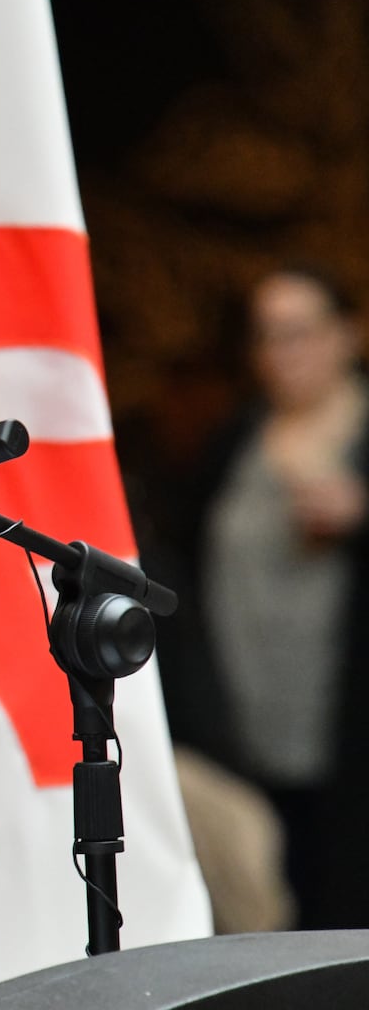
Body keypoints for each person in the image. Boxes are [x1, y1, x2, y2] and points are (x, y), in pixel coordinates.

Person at [191, 266, 369, 930]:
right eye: (267, 337)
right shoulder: (237, 438)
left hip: (344, 745)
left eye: (300, 333)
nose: (282, 354)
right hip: (246, 736)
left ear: (345, 334)